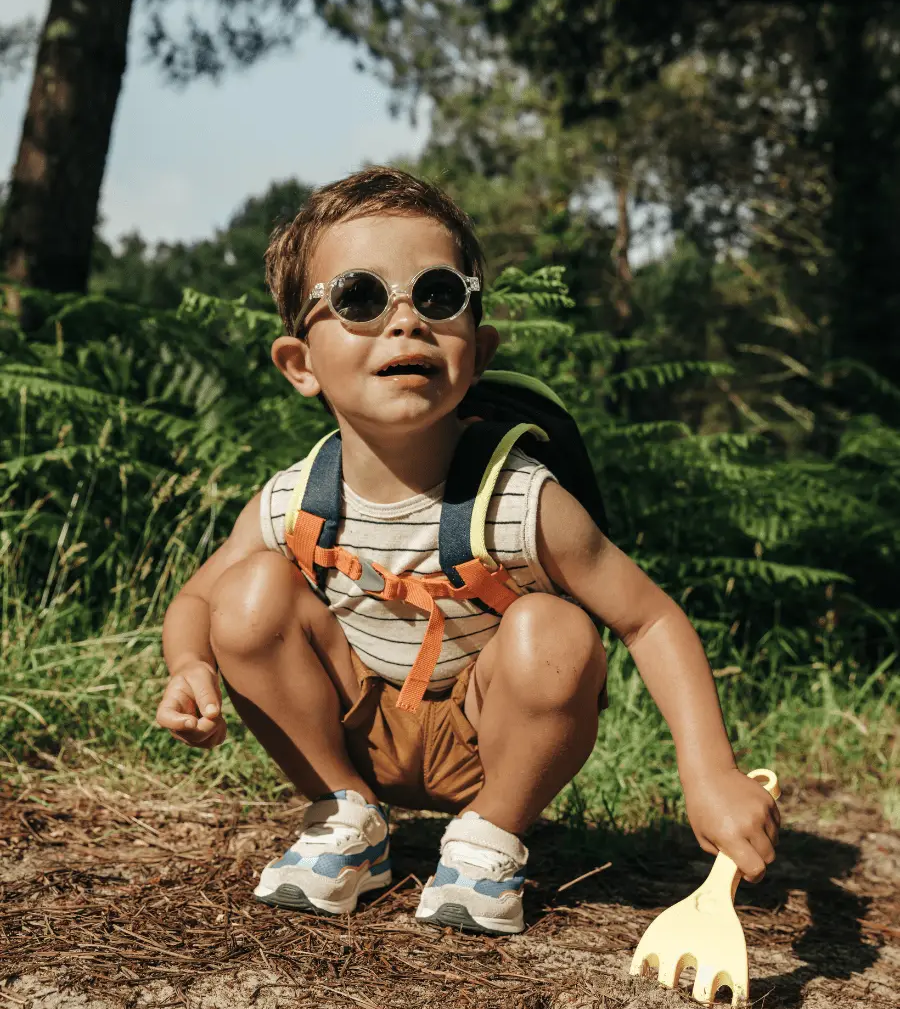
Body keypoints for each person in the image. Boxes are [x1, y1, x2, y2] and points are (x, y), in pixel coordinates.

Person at [155, 166, 779, 936]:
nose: (406, 321)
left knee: (556, 628)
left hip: (493, 740)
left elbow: (649, 621)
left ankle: (489, 835)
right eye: (359, 298)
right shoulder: (294, 498)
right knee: (247, 594)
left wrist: (709, 770)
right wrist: (190, 666)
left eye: (439, 295)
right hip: (354, 733)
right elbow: (195, 600)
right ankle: (347, 819)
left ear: (477, 349)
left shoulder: (522, 498)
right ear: (300, 364)